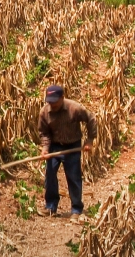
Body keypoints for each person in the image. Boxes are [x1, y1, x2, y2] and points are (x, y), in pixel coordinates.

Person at [37, 85, 97, 223]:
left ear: (62, 98)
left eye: (55, 101)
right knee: (50, 175)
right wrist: (45, 148)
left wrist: (89, 140)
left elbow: (91, 119)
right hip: (55, 146)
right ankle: (50, 206)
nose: (52, 104)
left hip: (72, 145)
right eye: (49, 101)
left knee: (73, 177)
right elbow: (44, 132)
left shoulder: (74, 108)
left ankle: (76, 209)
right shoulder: (44, 112)